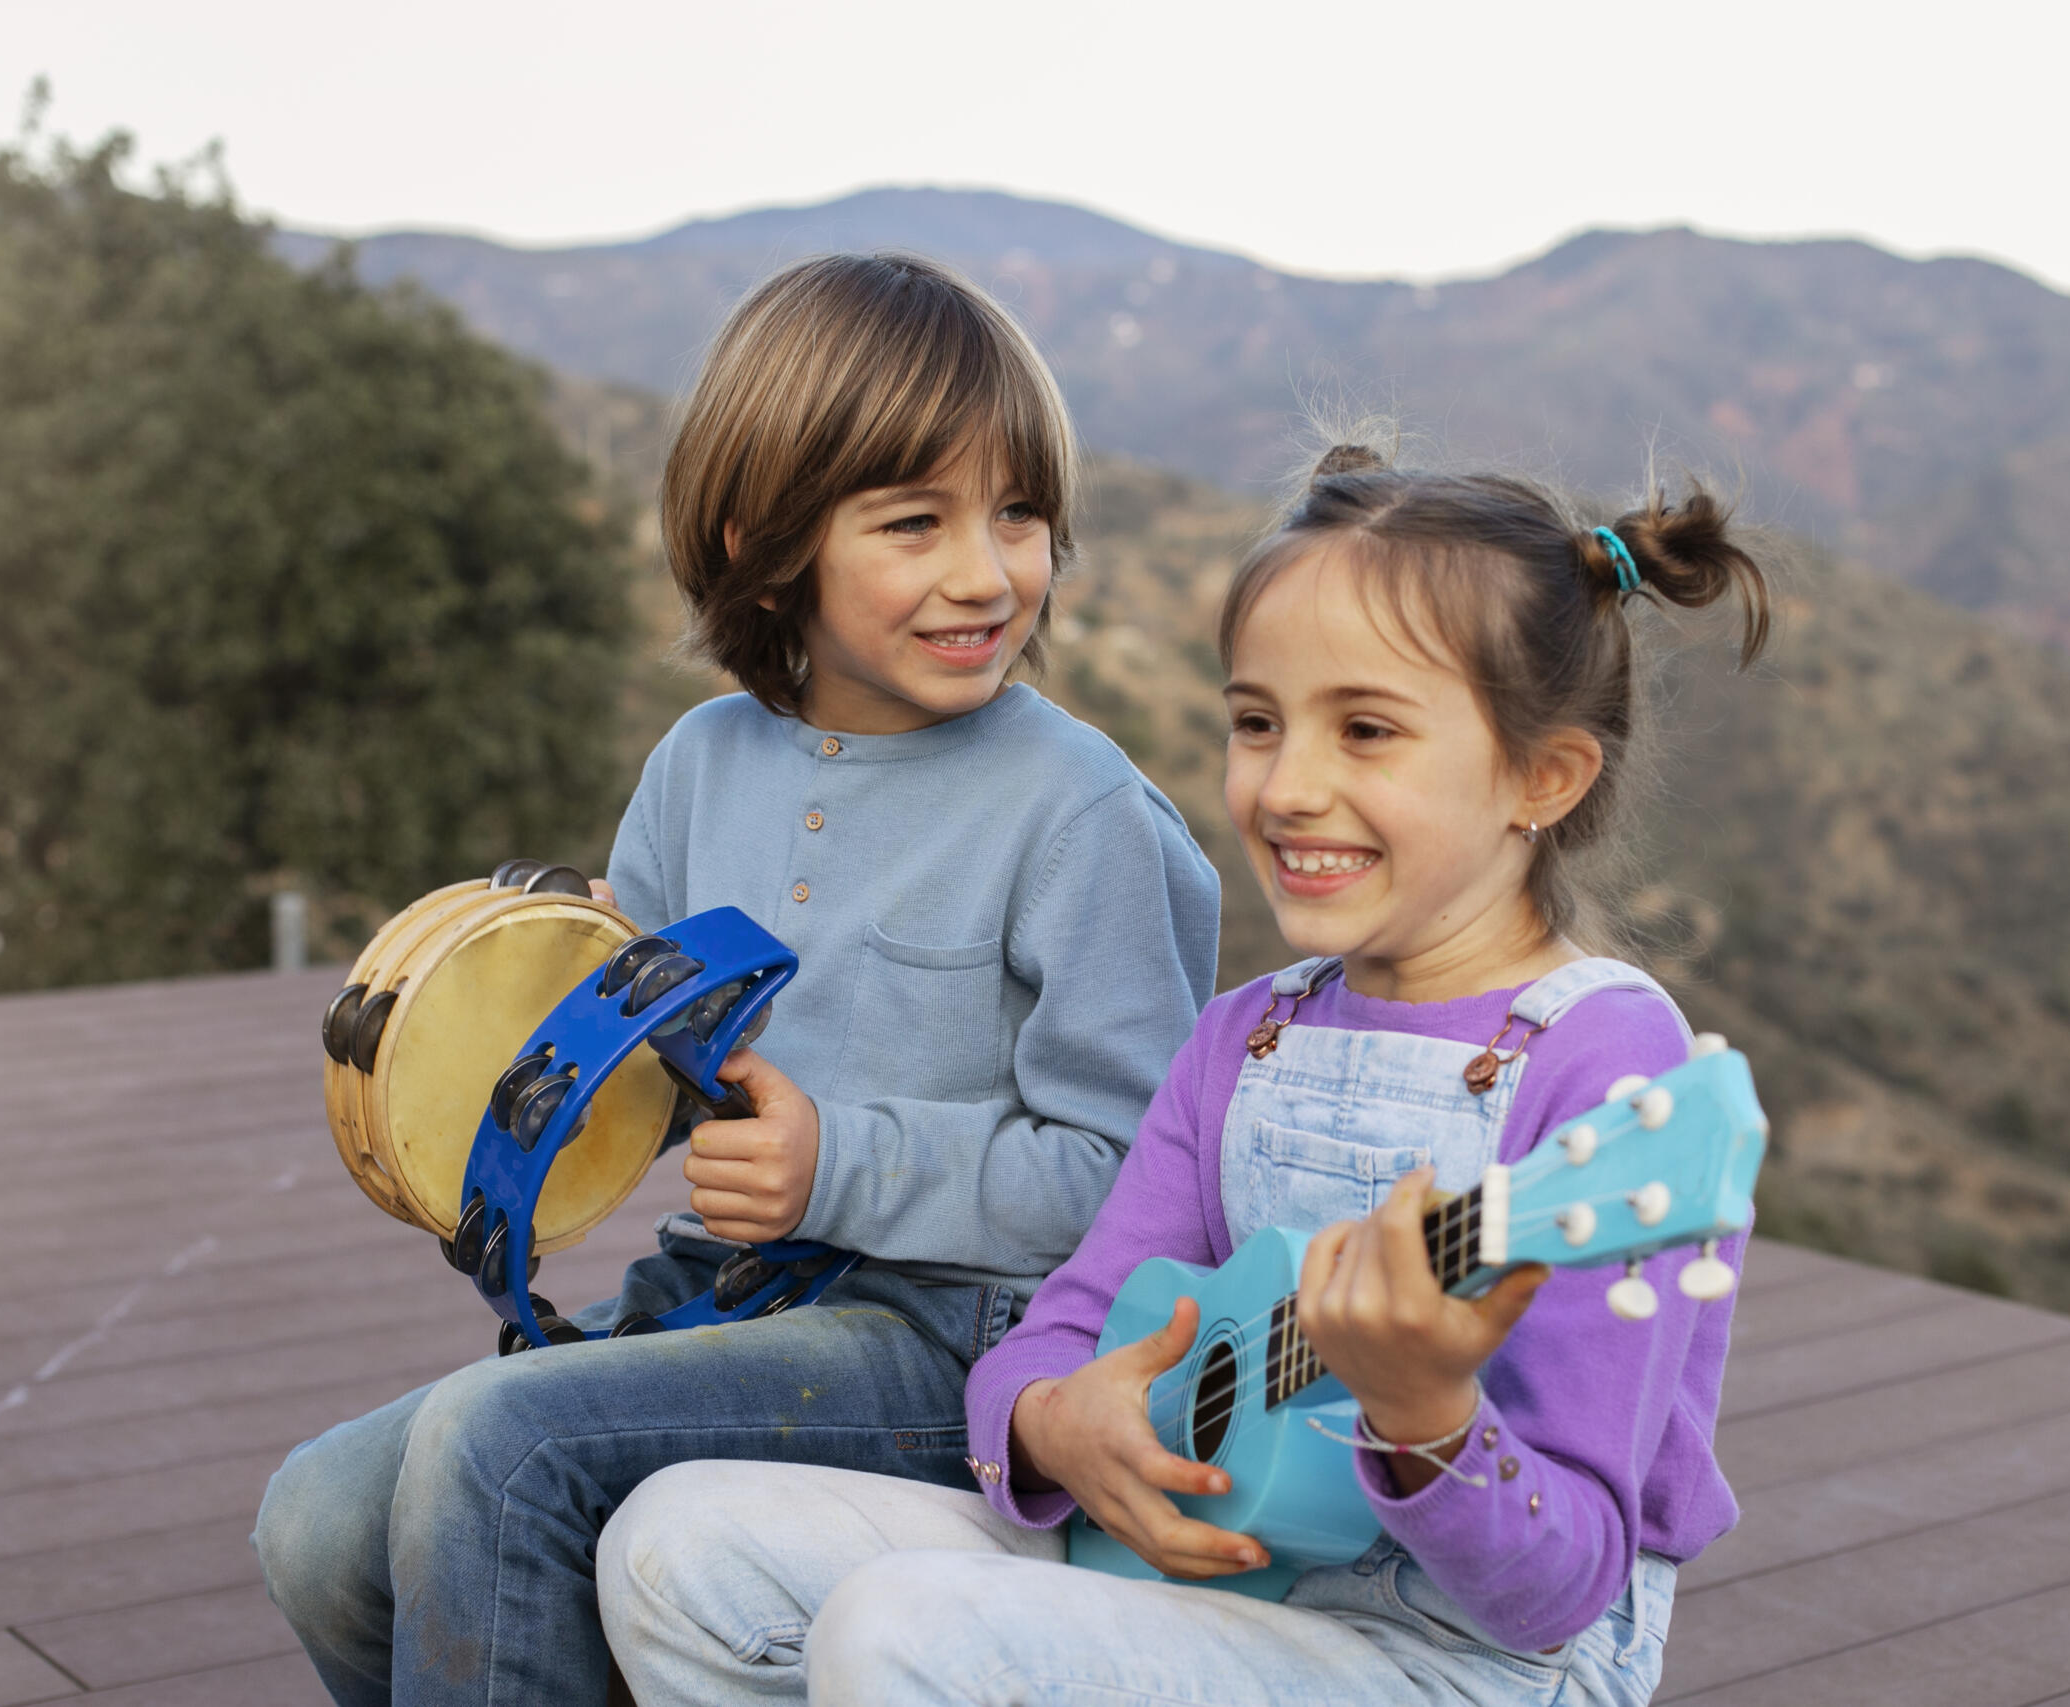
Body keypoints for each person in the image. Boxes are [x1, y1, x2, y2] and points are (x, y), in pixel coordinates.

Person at [598, 443, 1774, 1705]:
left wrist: (1425, 1407)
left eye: (1365, 730)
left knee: (902, 1625)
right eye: (1257, 722)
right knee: (676, 1548)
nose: (1288, 786)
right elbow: (1062, 1323)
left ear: (1541, 777)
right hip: (1203, 1574)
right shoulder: (1244, 1037)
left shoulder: (1601, 1059)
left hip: (1457, 1661)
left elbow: (1559, 1591)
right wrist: (1056, 1421)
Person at [253, 253, 1222, 1707]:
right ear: (762, 540)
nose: (988, 570)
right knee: (316, 1519)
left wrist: (841, 1162)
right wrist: (553, 1018)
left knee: (500, 1448)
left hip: (959, 1336)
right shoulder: (702, 763)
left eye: (1017, 512)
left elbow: (1140, 1181)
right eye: (916, 522)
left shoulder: (1078, 810)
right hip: (724, 1293)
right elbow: (644, 1076)